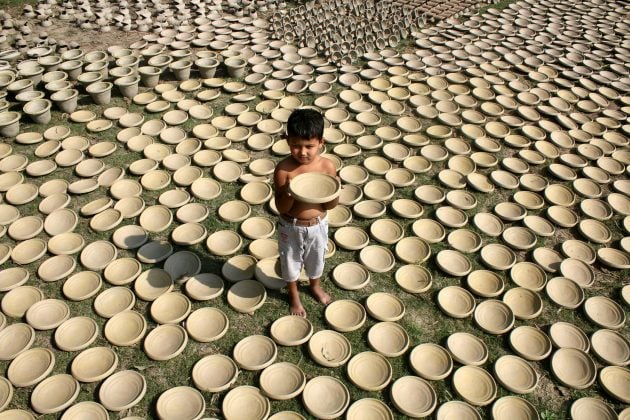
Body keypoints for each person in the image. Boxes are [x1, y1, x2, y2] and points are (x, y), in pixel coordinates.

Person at [273, 108, 339, 317]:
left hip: (318, 224)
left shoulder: (327, 167)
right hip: (291, 226)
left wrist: (336, 188)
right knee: (290, 262)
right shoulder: (284, 170)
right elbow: (281, 208)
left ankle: (314, 285)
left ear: (321, 142)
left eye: (309, 146)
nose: (302, 152)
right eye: (295, 146)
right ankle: (294, 295)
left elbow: (330, 206)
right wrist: (287, 193)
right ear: (287, 142)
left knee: (316, 258)